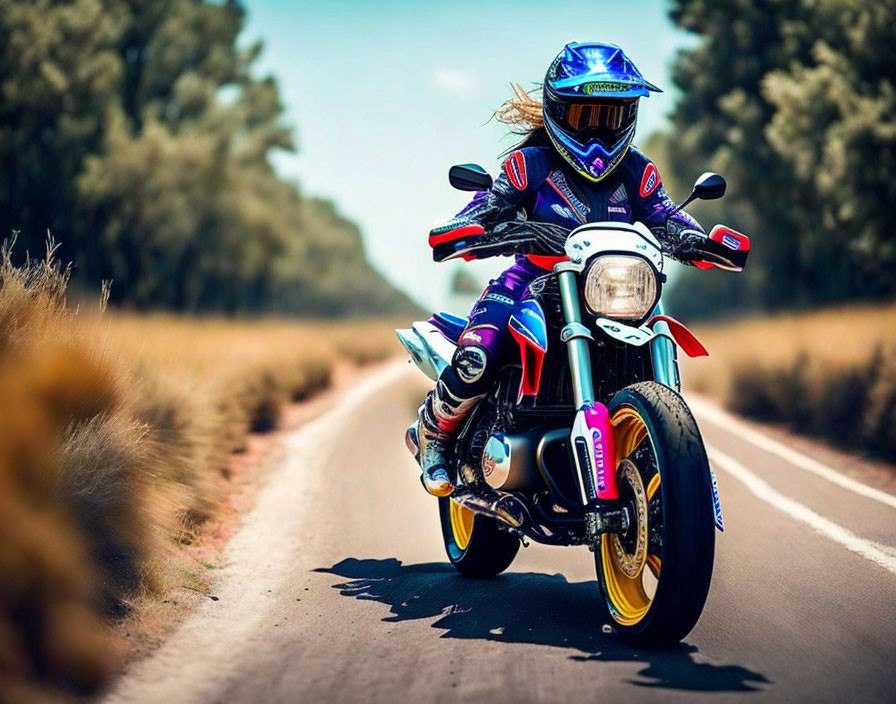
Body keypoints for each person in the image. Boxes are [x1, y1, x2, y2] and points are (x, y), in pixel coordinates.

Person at [415, 41, 705, 497]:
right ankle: (434, 435)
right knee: (479, 355)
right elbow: (488, 206)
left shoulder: (636, 170)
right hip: (530, 281)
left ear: (628, 116)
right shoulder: (529, 165)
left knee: (656, 338)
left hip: (610, 287)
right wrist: (469, 227)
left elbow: (666, 214)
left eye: (609, 117)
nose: (595, 132)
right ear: (557, 110)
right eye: (582, 115)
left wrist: (698, 238)